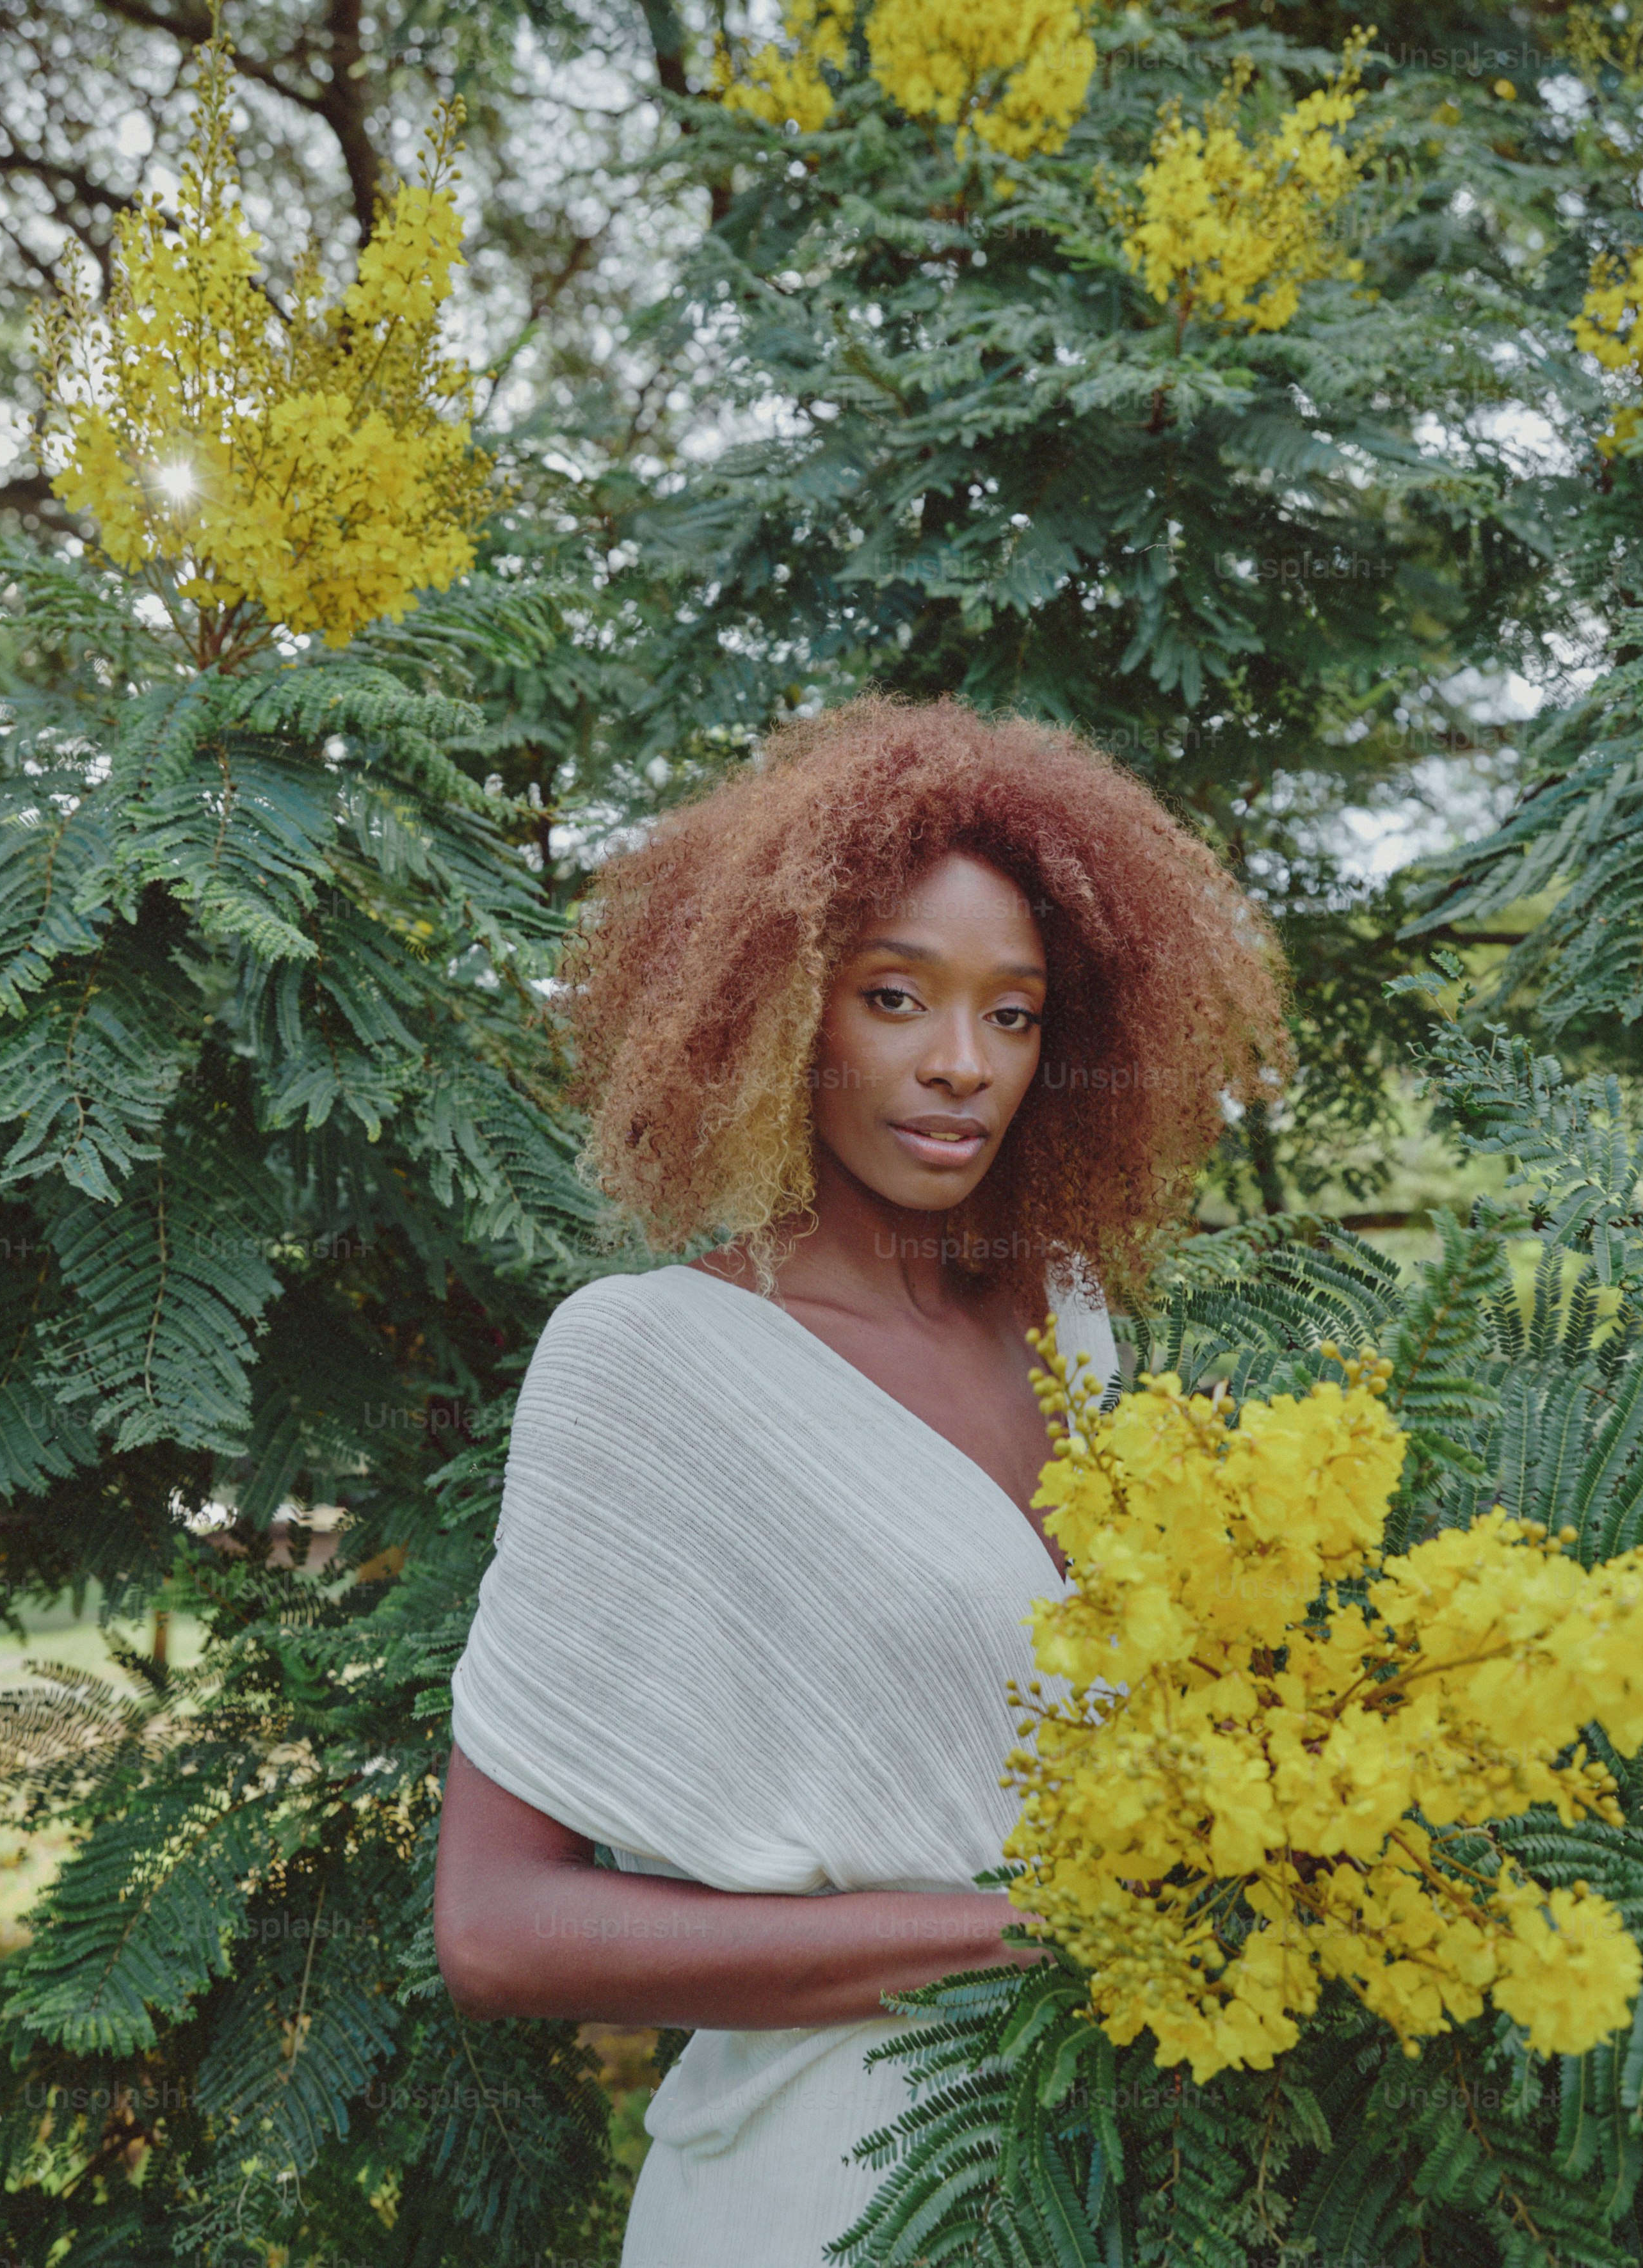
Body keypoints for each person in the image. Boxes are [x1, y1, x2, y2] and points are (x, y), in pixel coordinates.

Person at [433, 695, 1290, 2265]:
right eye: (895, 997)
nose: (960, 1065)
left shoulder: (1070, 1318)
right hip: (822, 2186)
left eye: (1013, 1014)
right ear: (778, 1009)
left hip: (1122, 2171)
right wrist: (1028, 1934)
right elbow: (498, 1929)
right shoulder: (646, 1357)